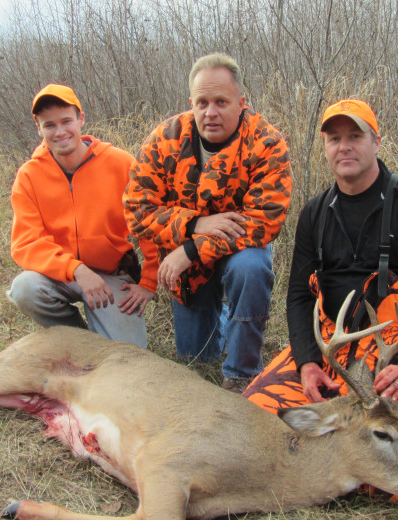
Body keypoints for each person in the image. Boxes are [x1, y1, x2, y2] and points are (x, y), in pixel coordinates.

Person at [244, 99, 398, 460]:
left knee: (396, 459)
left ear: (376, 142)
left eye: (355, 136)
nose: (344, 146)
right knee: (252, 420)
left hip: (387, 355)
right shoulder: (315, 214)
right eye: (334, 138)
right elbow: (299, 296)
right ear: (325, 149)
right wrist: (308, 364)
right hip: (330, 344)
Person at [123, 53, 292, 392]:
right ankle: (226, 320)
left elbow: (263, 221)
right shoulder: (164, 139)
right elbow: (137, 210)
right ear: (191, 103)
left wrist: (190, 249)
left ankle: (241, 373)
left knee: (251, 267)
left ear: (241, 103)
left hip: (235, 249)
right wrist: (194, 224)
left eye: (221, 102)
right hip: (188, 266)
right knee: (195, 360)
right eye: (202, 102)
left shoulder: (266, 143)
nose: (210, 112)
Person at [7, 84, 157, 349]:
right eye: (49, 125)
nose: (60, 131)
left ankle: (99, 337)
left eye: (66, 121)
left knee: (129, 356)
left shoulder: (120, 163)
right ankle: (78, 339)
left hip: (112, 275)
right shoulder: (29, 176)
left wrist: (148, 282)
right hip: (60, 275)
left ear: (81, 119)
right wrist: (76, 270)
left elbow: (149, 224)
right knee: (25, 288)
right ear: (38, 128)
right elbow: (26, 243)